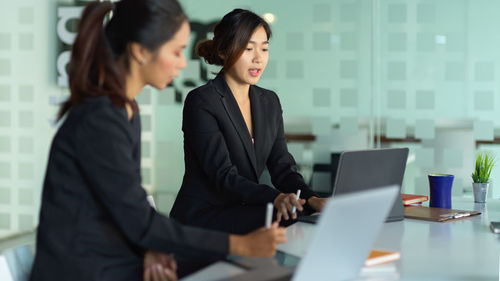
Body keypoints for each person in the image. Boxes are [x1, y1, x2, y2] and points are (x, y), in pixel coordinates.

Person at [29, 1, 286, 281]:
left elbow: (127, 206)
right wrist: (242, 244)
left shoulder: (125, 109)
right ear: (140, 51)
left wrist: (149, 246)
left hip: (107, 258)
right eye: (176, 51)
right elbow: (139, 220)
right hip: (82, 269)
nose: (183, 62)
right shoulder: (101, 118)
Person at [170, 9, 329, 235]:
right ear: (224, 51)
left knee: (306, 215)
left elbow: (283, 168)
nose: (258, 58)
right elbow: (223, 176)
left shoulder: (269, 101)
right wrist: (277, 198)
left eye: (264, 48)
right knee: (287, 219)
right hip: (204, 217)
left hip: (243, 210)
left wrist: (311, 198)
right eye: (248, 48)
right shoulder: (202, 101)